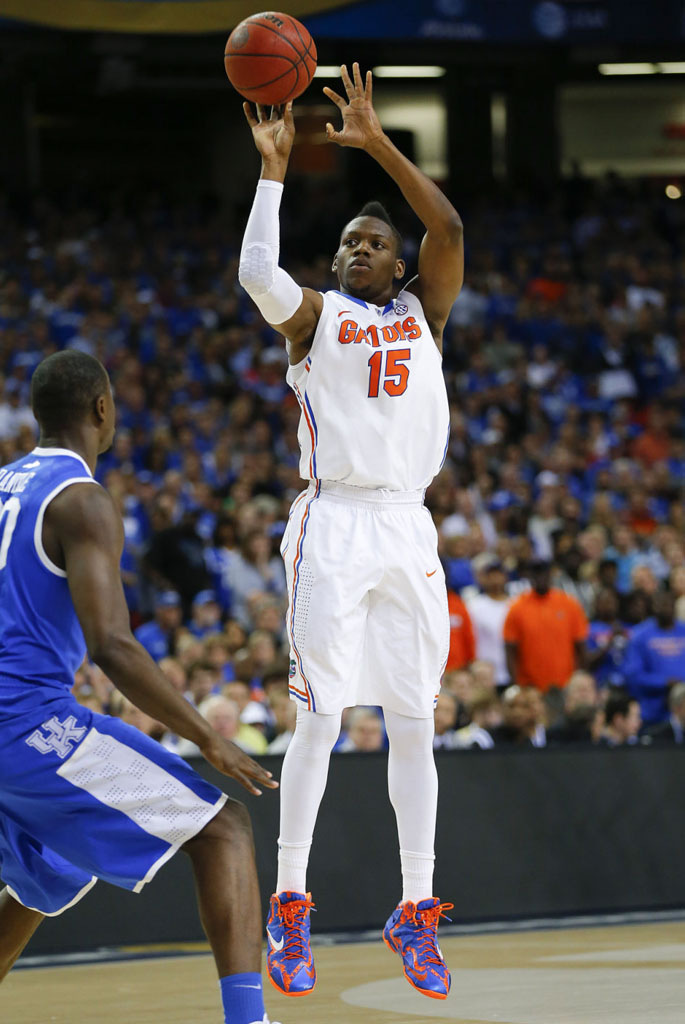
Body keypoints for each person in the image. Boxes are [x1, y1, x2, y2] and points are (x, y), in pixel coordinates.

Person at [239, 63, 463, 1000]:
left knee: (415, 722)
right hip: (333, 521)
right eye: (349, 242)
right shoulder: (316, 321)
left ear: (398, 264)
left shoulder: (422, 313)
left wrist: (375, 143)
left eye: (375, 241)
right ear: (333, 265)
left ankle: (415, 908)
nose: (361, 249)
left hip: (407, 526)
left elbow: (447, 228)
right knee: (321, 720)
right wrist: (275, 169)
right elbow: (257, 272)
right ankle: (288, 904)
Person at [0, 351, 280, 1024]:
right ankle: (250, 1022)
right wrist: (209, 738)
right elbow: (113, 647)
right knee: (223, 829)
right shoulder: (82, 499)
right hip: (26, 723)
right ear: (102, 409)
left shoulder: (4, 485)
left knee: (53, 872)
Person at [504, 558, 588, 692]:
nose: (540, 577)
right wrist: (517, 686)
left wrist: (579, 679)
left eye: (544, 572)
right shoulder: (517, 608)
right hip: (530, 687)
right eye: (536, 573)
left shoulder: (569, 604)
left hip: (565, 685)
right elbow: (510, 650)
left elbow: (580, 646)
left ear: (550, 575)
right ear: (530, 577)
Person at [622, 590, 685, 725]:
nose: (665, 607)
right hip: (652, 711)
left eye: (668, 603)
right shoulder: (639, 635)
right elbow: (633, 675)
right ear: (652, 606)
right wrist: (664, 682)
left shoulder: (683, 630)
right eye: (660, 604)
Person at [465, 557, 513, 687]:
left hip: (511, 672)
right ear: (484, 579)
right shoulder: (474, 606)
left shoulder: (515, 605)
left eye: (498, 575)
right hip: (486, 674)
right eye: (491, 576)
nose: (495, 580)